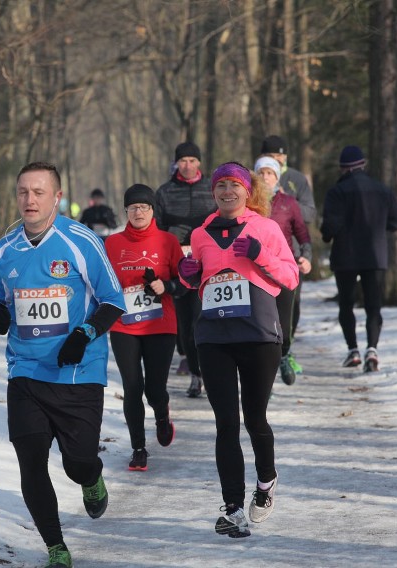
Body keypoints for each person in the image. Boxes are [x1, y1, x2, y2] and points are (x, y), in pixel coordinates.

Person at [0, 162, 126, 568]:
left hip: (78, 372)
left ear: (57, 197)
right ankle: (56, 547)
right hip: (26, 371)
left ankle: (91, 477)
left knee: (77, 462)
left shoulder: (80, 240)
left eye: (39, 192)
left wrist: (83, 335)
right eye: (23, 192)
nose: (29, 200)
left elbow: (113, 301)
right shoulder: (6, 245)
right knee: (31, 461)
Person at [178, 162, 298, 538]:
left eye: (234, 185)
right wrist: (188, 274)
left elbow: (291, 276)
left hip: (259, 334)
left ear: (248, 191)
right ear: (213, 192)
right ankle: (232, 508)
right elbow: (196, 276)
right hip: (214, 336)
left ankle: (265, 484)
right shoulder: (200, 233)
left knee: (254, 418)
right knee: (225, 423)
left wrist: (260, 254)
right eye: (220, 186)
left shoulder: (266, 228)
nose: (227, 191)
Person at [104, 184, 184, 471]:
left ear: (153, 211)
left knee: (154, 388)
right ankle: (138, 448)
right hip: (124, 324)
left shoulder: (168, 242)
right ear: (126, 211)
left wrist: (167, 285)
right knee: (132, 387)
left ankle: (162, 415)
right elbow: (103, 283)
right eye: (133, 207)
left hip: (160, 325)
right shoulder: (111, 244)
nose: (139, 212)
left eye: (144, 207)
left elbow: (186, 283)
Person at [320, 145, 397, 372]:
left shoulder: (337, 192)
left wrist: (327, 234)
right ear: (363, 165)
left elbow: (330, 226)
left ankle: (353, 350)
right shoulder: (382, 190)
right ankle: (372, 350)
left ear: (342, 168)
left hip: (345, 256)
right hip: (375, 255)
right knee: (373, 306)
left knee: (346, 304)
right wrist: (379, 228)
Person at [154, 142, 215, 398]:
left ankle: (212, 373)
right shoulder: (166, 192)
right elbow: (156, 227)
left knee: (206, 319)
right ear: (176, 163)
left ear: (199, 162)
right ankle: (196, 375)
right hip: (178, 261)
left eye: (192, 160)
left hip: (210, 260)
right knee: (186, 323)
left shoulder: (212, 187)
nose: (188, 165)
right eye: (183, 161)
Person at [254, 156, 313, 386]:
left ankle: (285, 353)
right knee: (261, 325)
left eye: (270, 173)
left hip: (283, 268)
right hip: (257, 271)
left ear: (277, 177)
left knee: (286, 322)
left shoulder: (289, 203)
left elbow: (303, 234)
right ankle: (263, 378)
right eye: (262, 173)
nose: (266, 177)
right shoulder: (249, 205)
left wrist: (306, 257)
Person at [259, 135, 316, 350]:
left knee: (292, 305)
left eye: (280, 155)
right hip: (260, 256)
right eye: (271, 156)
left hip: (291, 254)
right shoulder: (254, 181)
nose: (277, 159)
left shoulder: (296, 179)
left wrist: (287, 203)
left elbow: (309, 213)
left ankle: (285, 348)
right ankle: (268, 348)